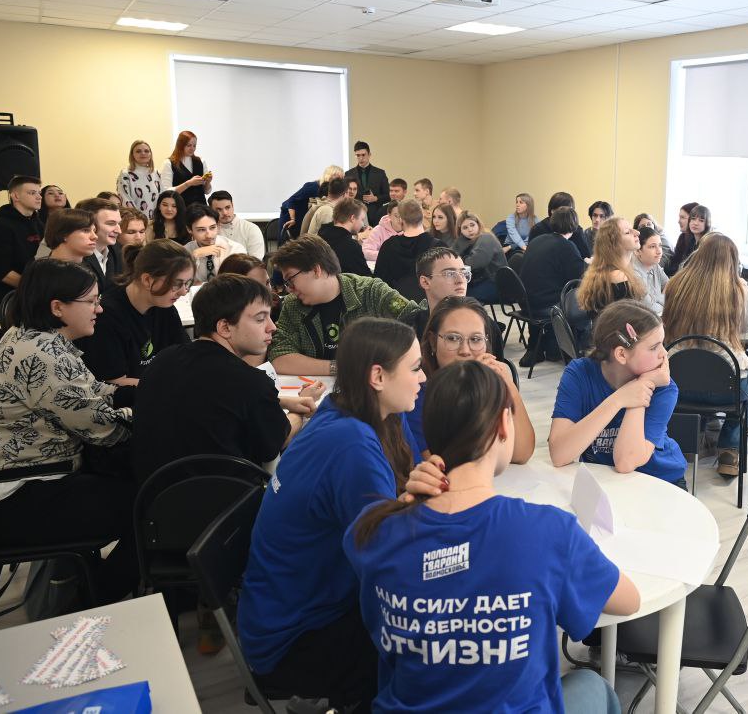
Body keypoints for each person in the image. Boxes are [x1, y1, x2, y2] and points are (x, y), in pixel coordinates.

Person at [345, 360, 638, 714]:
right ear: (503, 424)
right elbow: (629, 602)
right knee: (595, 687)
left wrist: (406, 498)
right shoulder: (548, 531)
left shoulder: (372, 531)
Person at [238, 318, 424, 709]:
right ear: (378, 377)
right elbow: (390, 560)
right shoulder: (352, 444)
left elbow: (405, 490)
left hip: (288, 609)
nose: (422, 378)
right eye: (415, 368)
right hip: (293, 638)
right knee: (426, 645)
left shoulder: (348, 411)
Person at [0, 258, 136, 603]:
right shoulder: (42, 356)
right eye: (92, 301)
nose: (99, 309)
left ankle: (93, 585)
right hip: (9, 502)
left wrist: (137, 392)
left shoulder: (32, 337)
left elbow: (88, 392)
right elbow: (105, 430)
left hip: (13, 487)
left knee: (135, 488)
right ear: (58, 307)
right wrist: (151, 410)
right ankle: (93, 598)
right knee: (151, 503)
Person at [131, 274, 323, 482]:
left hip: (152, 493)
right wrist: (297, 413)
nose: (272, 327)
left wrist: (282, 401)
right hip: (225, 496)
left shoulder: (164, 360)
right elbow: (277, 442)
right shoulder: (250, 382)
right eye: (260, 319)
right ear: (224, 328)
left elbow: (210, 400)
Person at [550, 300, 684, 485]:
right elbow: (559, 454)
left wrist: (642, 386)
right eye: (654, 347)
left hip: (660, 481)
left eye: (662, 344)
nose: (664, 354)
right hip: (603, 480)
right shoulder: (579, 373)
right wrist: (618, 399)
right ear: (621, 354)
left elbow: (625, 462)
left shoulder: (664, 387)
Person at [662, 233, 748, 478]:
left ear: (698, 254)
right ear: (733, 261)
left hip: (678, 380)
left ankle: (690, 438)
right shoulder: (738, 289)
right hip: (725, 385)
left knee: (696, 387)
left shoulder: (675, 284)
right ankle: (729, 448)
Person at [271, 235, 421, 376]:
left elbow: (414, 319)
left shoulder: (371, 292)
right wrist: (342, 367)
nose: (289, 289)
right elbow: (279, 357)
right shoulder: (293, 305)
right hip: (315, 390)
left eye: (290, 280)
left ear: (316, 270)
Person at [412, 296, 534, 464]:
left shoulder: (489, 386)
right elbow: (438, 464)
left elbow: (521, 453)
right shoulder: (416, 394)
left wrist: (508, 385)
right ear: (433, 342)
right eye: (453, 338)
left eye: (475, 339)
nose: (465, 350)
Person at [77, 240, 193, 387]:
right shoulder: (107, 316)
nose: (184, 292)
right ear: (147, 280)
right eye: (176, 284)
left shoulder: (164, 306)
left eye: (188, 283)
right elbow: (115, 382)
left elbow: (185, 355)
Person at [519, 206, 586, 365]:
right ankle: (574, 351)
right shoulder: (566, 246)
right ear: (574, 225)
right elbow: (579, 278)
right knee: (585, 304)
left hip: (525, 303)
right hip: (547, 306)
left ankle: (537, 347)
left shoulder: (537, 240)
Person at [0, 175, 43, 310]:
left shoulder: (37, 223)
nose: (39, 197)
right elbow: (1, 272)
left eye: (39, 193)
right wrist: (36, 288)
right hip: (7, 292)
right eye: (32, 193)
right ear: (15, 196)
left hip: (32, 284)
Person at [374, 199, 445, 301]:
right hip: (428, 306)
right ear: (422, 217)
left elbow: (379, 282)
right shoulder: (439, 247)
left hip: (395, 305)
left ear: (401, 220)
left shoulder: (388, 246)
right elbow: (445, 282)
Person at [577, 216, 643, 317]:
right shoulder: (619, 276)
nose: (637, 232)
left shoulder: (603, 273)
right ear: (614, 244)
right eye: (627, 232)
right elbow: (631, 320)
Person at [403, 247, 470, 339]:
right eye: (450, 274)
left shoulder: (481, 323)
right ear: (425, 282)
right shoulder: (409, 327)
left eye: (463, 273)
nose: (461, 280)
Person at [185, 203, 247, 284]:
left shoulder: (234, 249)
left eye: (212, 227)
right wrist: (193, 256)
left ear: (218, 225)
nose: (209, 235)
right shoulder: (185, 252)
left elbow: (238, 282)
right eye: (201, 230)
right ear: (189, 229)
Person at [280, 166, 344, 242]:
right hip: (291, 215)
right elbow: (291, 200)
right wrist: (292, 219)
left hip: (304, 216)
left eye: (342, 178)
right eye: (338, 178)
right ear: (330, 175)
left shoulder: (329, 189)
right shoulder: (312, 186)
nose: (340, 181)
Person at [454, 211, 506, 304]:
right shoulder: (467, 241)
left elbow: (474, 263)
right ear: (460, 231)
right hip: (482, 281)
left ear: (478, 224)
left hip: (495, 285)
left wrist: (461, 254)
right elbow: (452, 256)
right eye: (465, 227)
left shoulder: (486, 238)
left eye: (472, 225)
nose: (470, 229)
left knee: (459, 296)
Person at [318, 197, 373, 278]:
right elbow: (367, 278)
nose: (363, 224)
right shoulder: (350, 246)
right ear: (352, 218)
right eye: (362, 219)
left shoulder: (322, 233)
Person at [75, 197, 123, 288]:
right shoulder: (76, 256)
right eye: (111, 223)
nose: (119, 231)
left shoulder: (118, 250)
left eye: (119, 224)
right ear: (90, 224)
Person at [528, 192, 590, 259]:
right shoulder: (538, 229)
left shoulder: (576, 230)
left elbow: (585, 256)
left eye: (570, 211)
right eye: (562, 211)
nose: (567, 215)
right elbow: (531, 255)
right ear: (552, 211)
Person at [160, 130, 212, 207]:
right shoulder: (168, 163)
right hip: (181, 208)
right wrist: (188, 183)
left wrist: (208, 182)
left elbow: (207, 191)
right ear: (180, 145)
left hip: (201, 208)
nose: (192, 148)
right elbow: (166, 192)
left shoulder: (201, 161)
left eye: (194, 145)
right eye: (189, 145)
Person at [209, 190, 265, 259]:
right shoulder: (208, 231)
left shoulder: (251, 228)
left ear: (232, 205)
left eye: (227, 207)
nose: (225, 213)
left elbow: (256, 260)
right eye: (219, 210)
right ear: (211, 210)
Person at [345, 140, 390, 225]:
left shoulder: (380, 173)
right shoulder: (348, 174)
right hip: (355, 215)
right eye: (358, 155)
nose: (361, 158)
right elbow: (345, 195)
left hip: (376, 216)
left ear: (369, 155)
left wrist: (376, 198)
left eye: (363, 155)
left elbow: (388, 195)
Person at [116, 139, 163, 215]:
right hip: (135, 219)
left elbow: (162, 197)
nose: (143, 153)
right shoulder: (125, 174)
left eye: (146, 151)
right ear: (132, 155)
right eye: (138, 151)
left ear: (150, 154)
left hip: (156, 219)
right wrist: (139, 219)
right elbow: (125, 200)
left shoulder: (156, 173)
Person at [632, 225, 669, 314]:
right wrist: (665, 299)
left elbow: (670, 286)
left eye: (660, 245)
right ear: (637, 251)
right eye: (652, 246)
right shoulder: (633, 273)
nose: (659, 251)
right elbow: (650, 309)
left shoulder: (654, 264)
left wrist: (657, 300)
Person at [666, 204, 710, 276]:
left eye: (701, 220)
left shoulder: (708, 243)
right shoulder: (689, 240)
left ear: (707, 223)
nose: (695, 223)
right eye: (693, 219)